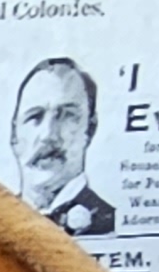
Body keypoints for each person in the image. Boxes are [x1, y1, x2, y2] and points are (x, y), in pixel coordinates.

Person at [10, 57, 121, 236]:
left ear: (90, 129)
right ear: (14, 135)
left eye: (67, 116)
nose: (48, 135)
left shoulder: (111, 225)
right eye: (35, 117)